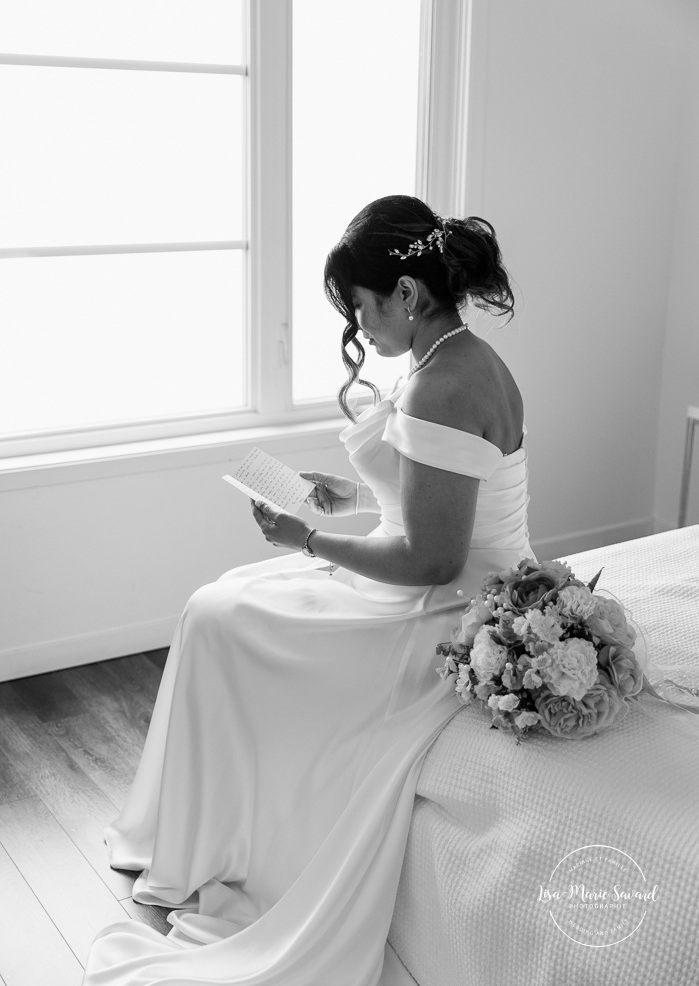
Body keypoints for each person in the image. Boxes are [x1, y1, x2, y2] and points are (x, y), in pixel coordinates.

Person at [82, 195, 532, 986]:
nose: (358, 328)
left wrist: (308, 541)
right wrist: (347, 495)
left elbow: (432, 558)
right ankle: (215, 828)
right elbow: (441, 492)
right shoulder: (460, 358)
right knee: (226, 599)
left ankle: (225, 839)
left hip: (445, 611)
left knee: (222, 615)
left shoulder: (440, 385)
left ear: (405, 292)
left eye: (359, 306)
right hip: (456, 584)